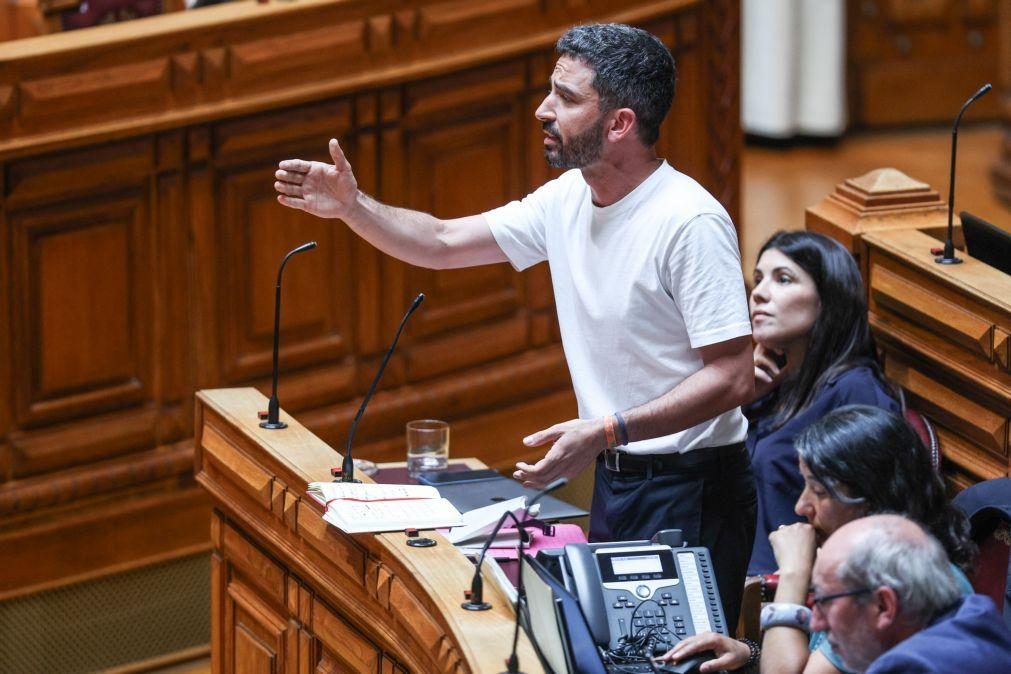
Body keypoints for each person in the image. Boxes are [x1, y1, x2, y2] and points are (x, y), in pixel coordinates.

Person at [274, 23, 757, 630]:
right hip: (619, 477)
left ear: (619, 124)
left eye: (567, 97)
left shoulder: (688, 222)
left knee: (675, 665)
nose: (543, 110)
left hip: (693, 489)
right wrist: (353, 206)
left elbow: (735, 375)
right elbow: (445, 241)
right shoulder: (566, 200)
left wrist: (607, 429)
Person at [659, 405, 975, 673]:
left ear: (874, 499)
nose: (801, 506)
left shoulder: (897, 584)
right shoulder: (878, 559)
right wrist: (748, 655)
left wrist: (794, 573)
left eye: (820, 492)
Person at [745, 231, 899, 576]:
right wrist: (741, 396)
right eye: (758, 279)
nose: (759, 293)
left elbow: (875, 517)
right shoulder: (769, 383)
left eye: (783, 279)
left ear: (827, 300)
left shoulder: (856, 391)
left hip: (801, 588)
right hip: (744, 577)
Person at [810, 514, 1011, 674]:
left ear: (883, 605)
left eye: (825, 603)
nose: (815, 623)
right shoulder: (974, 614)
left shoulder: (909, 667)